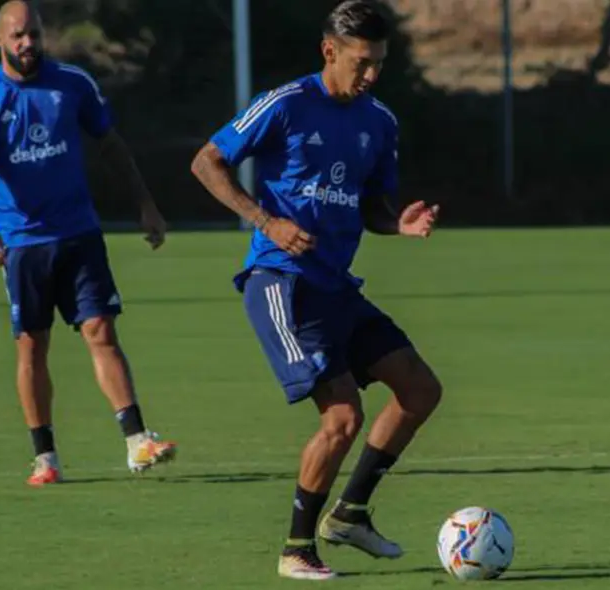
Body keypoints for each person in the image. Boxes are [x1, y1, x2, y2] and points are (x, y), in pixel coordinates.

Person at [190, 0, 443, 580]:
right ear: (330, 51)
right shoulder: (286, 104)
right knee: (343, 418)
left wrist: (399, 225)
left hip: (336, 288)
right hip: (282, 284)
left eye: (380, 62)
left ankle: (350, 514)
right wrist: (266, 220)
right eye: (362, 62)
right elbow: (206, 163)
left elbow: (372, 208)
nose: (372, 74)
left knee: (420, 389)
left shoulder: (380, 121)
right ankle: (296, 548)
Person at [0, 0, 177, 486]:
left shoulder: (73, 84)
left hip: (79, 233)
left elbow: (111, 144)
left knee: (101, 331)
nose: (26, 43)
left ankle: (138, 441)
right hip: (23, 244)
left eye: (33, 33)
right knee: (32, 347)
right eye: (16, 36)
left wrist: (146, 204)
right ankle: (45, 457)